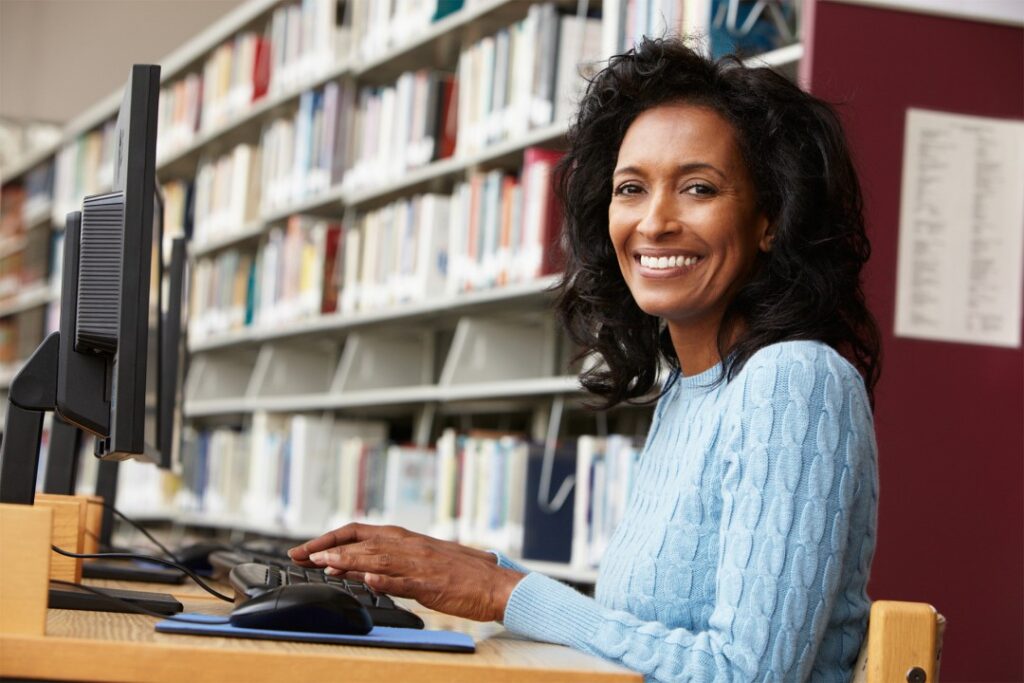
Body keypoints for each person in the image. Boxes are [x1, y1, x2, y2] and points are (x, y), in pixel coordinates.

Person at [290, 37, 881, 682]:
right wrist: (475, 573)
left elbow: (747, 674)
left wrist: (502, 592)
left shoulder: (795, 380)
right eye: (631, 189)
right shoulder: (689, 392)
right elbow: (639, 636)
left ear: (770, 219)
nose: (654, 222)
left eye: (698, 188)